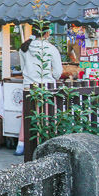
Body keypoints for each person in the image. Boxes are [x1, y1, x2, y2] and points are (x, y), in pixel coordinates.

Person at [16, 25, 63, 156]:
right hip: (46, 87)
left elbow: (23, 68)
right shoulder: (51, 48)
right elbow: (58, 72)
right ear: (47, 33)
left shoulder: (24, 48)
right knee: (46, 115)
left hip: (28, 86)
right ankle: (44, 144)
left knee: (27, 116)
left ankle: (21, 144)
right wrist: (51, 75)